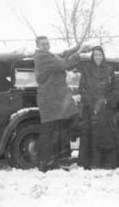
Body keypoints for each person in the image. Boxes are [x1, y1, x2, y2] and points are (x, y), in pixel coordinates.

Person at [33, 36, 90, 171]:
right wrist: (79, 53)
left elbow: (61, 56)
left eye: (47, 43)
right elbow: (64, 64)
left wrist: (75, 48)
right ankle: (47, 163)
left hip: (54, 99)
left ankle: (59, 160)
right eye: (43, 44)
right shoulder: (42, 57)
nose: (46, 46)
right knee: (51, 131)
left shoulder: (47, 55)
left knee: (58, 130)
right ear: (38, 46)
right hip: (50, 99)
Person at [77, 46, 119, 169]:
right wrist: (92, 102)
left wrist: (106, 100)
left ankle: (108, 162)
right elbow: (82, 88)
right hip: (91, 109)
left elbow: (115, 89)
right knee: (91, 134)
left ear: (103, 56)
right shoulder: (86, 70)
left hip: (106, 109)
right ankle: (93, 162)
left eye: (100, 55)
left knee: (108, 135)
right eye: (95, 55)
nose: (98, 57)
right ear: (92, 56)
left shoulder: (109, 70)